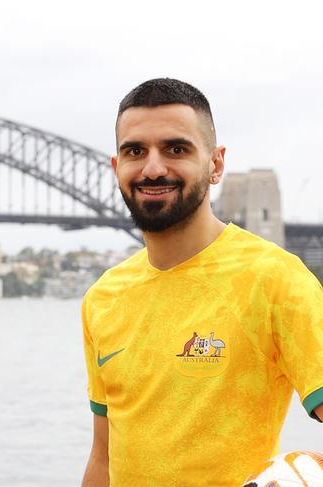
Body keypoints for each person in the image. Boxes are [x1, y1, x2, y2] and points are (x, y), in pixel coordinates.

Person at [81, 78, 323, 486]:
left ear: (215, 164)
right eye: (135, 151)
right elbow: (104, 460)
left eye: (176, 149)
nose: (153, 168)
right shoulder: (103, 297)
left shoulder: (274, 279)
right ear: (116, 167)